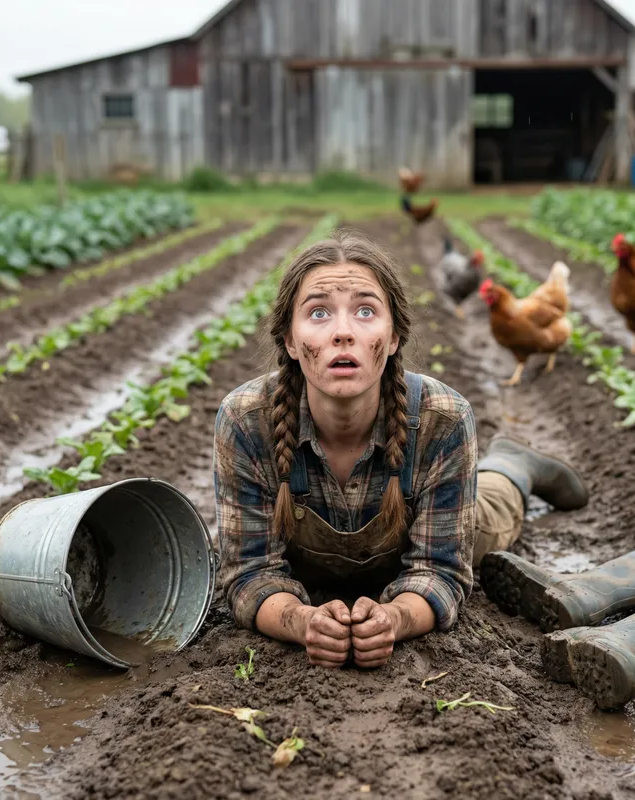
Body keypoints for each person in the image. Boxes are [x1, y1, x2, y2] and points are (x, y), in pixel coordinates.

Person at [213, 230, 588, 669]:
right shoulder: (246, 421)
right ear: (291, 341)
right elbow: (248, 574)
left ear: (393, 338)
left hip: (440, 529)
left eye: (366, 311)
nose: (343, 332)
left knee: (490, 519)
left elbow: (442, 570)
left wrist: (394, 618)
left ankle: (512, 467)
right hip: (308, 577)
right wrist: (301, 621)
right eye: (318, 313)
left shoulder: (441, 420)